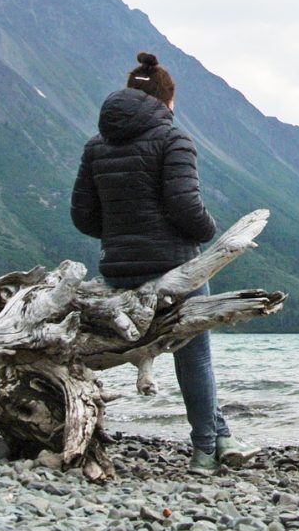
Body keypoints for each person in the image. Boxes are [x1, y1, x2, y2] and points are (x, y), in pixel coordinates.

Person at [71, 51, 259, 475]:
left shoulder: (96, 146)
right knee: (195, 357)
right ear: (166, 101)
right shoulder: (174, 140)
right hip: (173, 266)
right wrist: (208, 230)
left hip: (117, 270)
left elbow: (83, 217)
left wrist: (120, 237)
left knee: (188, 354)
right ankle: (204, 451)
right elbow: (186, 209)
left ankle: (224, 437)